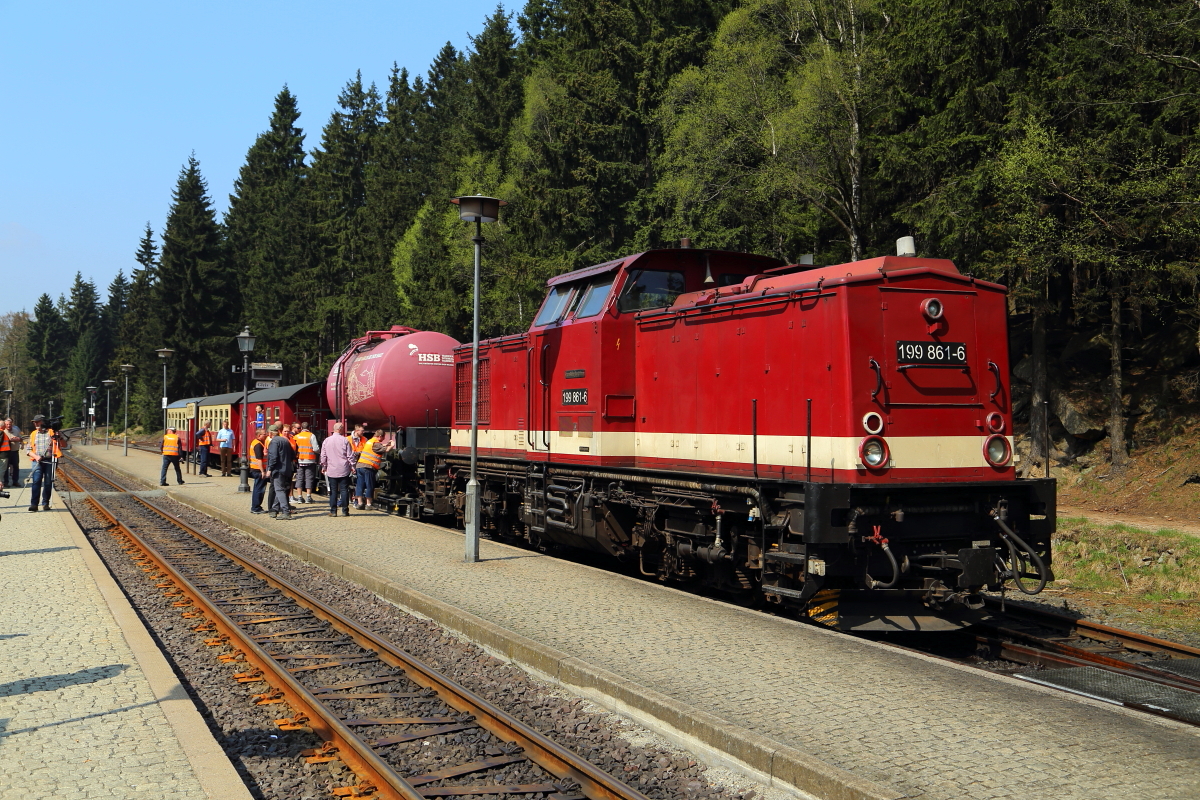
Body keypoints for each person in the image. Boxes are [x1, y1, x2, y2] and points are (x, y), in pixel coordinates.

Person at [319, 422, 355, 517]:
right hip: (343, 469)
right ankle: (345, 511)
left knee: (333, 491)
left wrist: (324, 466)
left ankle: (333, 511)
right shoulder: (345, 440)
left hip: (332, 469)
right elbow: (350, 456)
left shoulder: (327, 440)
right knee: (344, 490)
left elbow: (323, 455)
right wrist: (353, 466)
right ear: (340, 429)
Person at [26, 415, 61, 511]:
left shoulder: (51, 432)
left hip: (49, 460)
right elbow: (28, 450)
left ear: (43, 422)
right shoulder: (33, 434)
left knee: (48, 482)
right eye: (34, 422)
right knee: (36, 481)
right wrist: (36, 456)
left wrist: (58, 435)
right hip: (37, 461)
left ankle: (45, 503)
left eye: (38, 422)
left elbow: (63, 445)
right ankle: (34, 504)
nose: (36, 424)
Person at [266, 423, 295, 520]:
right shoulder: (285, 440)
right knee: (281, 489)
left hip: (278, 469)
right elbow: (293, 455)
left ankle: (286, 512)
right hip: (287, 469)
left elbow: (273, 457)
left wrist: (269, 469)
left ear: (270, 433)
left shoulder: (274, 442)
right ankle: (274, 509)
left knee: (279, 490)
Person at [355, 429, 384, 511]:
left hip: (360, 465)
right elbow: (385, 449)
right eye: (383, 438)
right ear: (380, 436)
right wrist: (392, 445)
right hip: (368, 467)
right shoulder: (376, 443)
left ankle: (360, 503)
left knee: (360, 485)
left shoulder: (369, 441)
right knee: (369, 485)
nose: (383, 440)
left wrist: (385, 444)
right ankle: (368, 504)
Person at [294, 422, 320, 504]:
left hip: (299, 460)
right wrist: (318, 452)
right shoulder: (311, 435)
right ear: (309, 427)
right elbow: (316, 449)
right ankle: (308, 497)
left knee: (299, 478)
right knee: (309, 478)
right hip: (310, 460)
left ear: (301, 428)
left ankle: (299, 497)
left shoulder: (296, 436)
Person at [248, 428, 268, 514]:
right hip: (258, 470)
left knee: (258, 488)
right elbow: (259, 459)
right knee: (259, 489)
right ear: (259, 435)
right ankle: (256, 507)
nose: (266, 434)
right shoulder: (258, 445)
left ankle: (256, 507)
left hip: (255, 469)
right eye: (264, 434)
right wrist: (263, 471)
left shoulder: (255, 442)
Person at [349, 423, 366, 506]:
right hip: (348, 463)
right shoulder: (347, 439)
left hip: (360, 463)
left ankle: (356, 501)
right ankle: (343, 500)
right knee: (346, 482)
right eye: (362, 430)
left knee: (358, 482)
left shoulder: (364, 439)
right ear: (356, 431)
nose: (363, 432)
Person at [3, 419, 20, 488]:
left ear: (12, 424)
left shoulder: (16, 430)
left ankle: (15, 481)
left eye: (10, 424)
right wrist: (9, 440)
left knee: (16, 467)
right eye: (7, 424)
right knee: (6, 468)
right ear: (5, 425)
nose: (8, 425)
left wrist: (18, 439)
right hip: (6, 452)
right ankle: (5, 482)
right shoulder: (3, 431)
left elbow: (21, 438)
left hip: (15, 451)